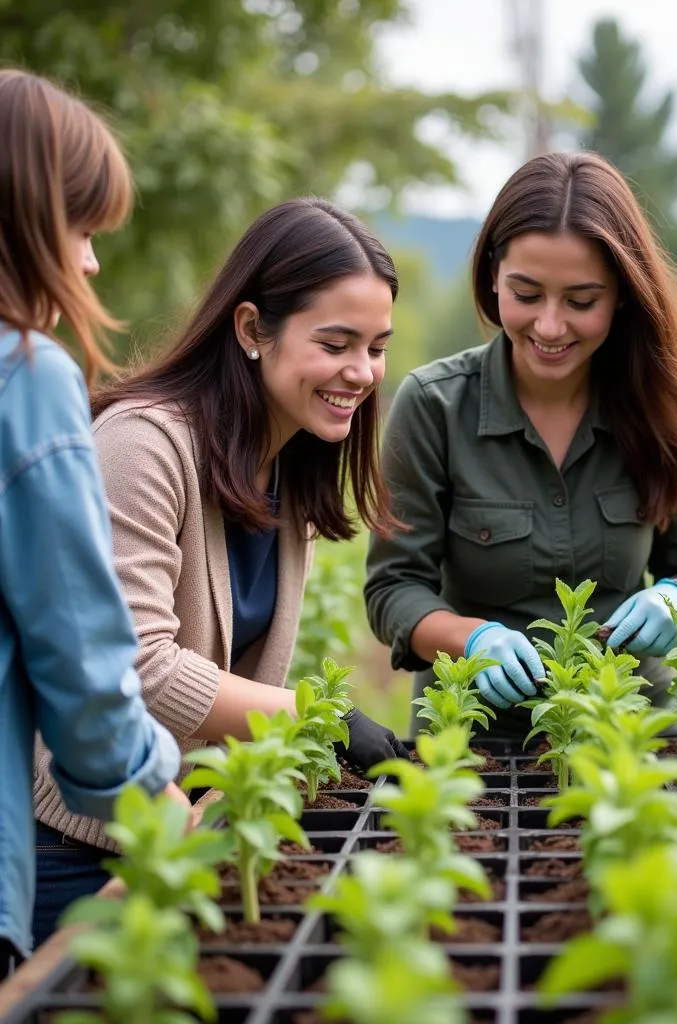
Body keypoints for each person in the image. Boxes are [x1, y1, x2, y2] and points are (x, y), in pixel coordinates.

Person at [31, 197, 410, 944]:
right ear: (250, 330)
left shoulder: (287, 463)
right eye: (336, 343)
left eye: (376, 346)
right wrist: (319, 718)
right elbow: (137, 666)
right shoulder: (143, 445)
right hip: (79, 846)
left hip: (185, 829)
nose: (361, 372)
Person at [364, 151, 677, 737]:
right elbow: (393, 589)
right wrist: (473, 639)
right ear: (492, 275)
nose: (551, 326)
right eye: (527, 294)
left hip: (630, 733)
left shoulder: (666, 407)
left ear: (622, 295)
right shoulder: (435, 406)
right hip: (471, 742)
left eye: (582, 301)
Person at [0, 69, 185, 970]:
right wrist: (155, 793)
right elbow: (83, 663)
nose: (90, 262)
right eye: (80, 231)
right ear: (28, 225)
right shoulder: (26, 377)